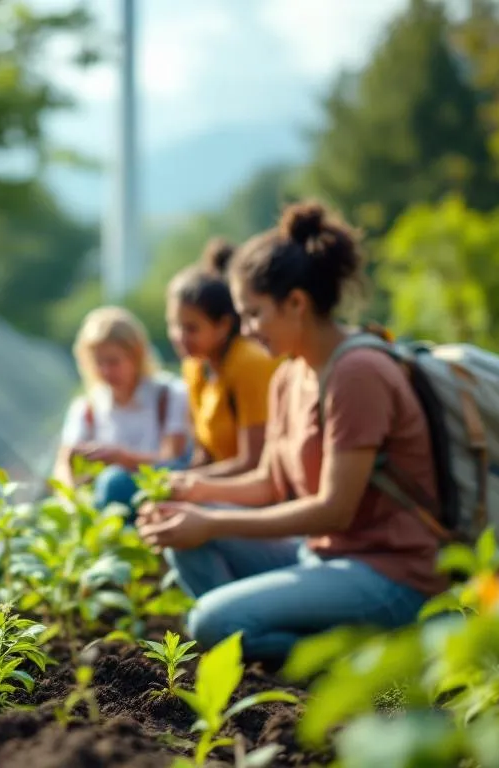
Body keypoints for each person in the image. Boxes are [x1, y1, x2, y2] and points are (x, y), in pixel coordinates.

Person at [137, 202, 444, 664]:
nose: (247, 329)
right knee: (187, 544)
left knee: (210, 622)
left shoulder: (358, 372)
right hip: (321, 558)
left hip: (390, 574)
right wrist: (192, 492)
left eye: (254, 314)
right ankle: (257, 643)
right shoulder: (288, 375)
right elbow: (269, 483)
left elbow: (333, 512)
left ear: (297, 303)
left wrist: (212, 519)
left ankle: (365, 660)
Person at [166, 238, 281, 479]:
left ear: (223, 325)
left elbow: (254, 462)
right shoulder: (194, 367)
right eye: (174, 326)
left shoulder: (247, 363)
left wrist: (190, 484)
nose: (180, 337)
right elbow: (203, 455)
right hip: (217, 480)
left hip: (248, 487)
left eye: (191, 328)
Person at [53, 306, 191, 507]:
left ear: (136, 356)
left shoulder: (169, 395)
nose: (106, 371)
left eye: (113, 361)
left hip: (161, 501)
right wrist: (72, 496)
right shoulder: (87, 408)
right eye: (99, 362)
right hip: (108, 510)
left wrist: (122, 458)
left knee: (114, 482)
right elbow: (63, 464)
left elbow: (172, 458)